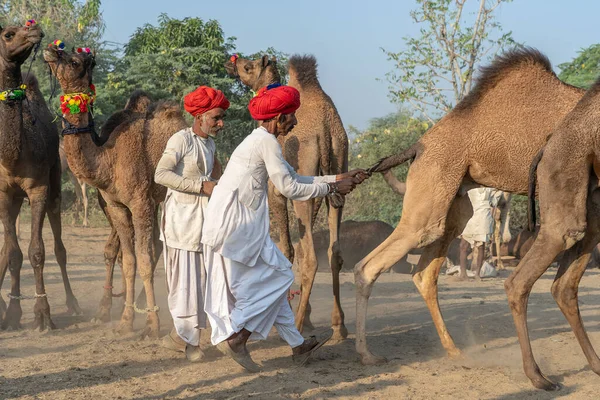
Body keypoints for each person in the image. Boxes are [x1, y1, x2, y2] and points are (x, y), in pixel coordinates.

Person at [201, 84, 369, 372]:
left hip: (240, 224)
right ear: (278, 118)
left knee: (278, 277)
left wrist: (340, 177)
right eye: (292, 116)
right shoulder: (265, 142)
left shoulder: (262, 141)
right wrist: (333, 187)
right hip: (236, 227)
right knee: (278, 277)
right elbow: (289, 188)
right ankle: (238, 338)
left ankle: (298, 345)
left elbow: (295, 177)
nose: (295, 122)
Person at [154, 86, 229, 362]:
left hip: (203, 222)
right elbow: (160, 174)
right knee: (186, 282)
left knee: (200, 281)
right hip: (181, 223)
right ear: (199, 117)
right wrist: (201, 187)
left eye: (221, 119)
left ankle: (181, 337)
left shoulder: (209, 143)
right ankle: (187, 342)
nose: (220, 124)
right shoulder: (180, 140)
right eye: (216, 118)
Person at [459, 187, 499, 280]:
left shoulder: (491, 189)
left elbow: (494, 203)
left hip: (483, 217)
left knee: (481, 246)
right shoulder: (469, 186)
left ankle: (477, 273)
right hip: (470, 217)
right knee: (463, 245)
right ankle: (463, 273)